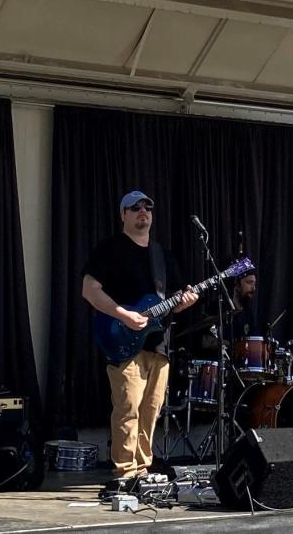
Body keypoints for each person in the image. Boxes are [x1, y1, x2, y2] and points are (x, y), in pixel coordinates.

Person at [82, 190, 198, 488]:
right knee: (128, 408)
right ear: (123, 215)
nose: (142, 212)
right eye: (135, 208)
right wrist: (122, 314)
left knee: (151, 410)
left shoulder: (162, 256)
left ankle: (143, 470)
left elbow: (174, 299)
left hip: (158, 344)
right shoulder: (110, 250)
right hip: (123, 342)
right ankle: (124, 473)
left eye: (147, 207)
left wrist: (185, 302)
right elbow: (90, 290)